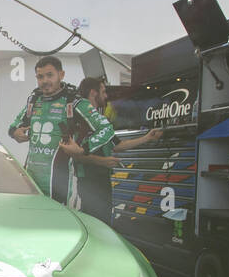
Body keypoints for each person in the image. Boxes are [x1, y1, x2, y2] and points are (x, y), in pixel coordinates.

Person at [60, 76, 162, 221]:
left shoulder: (100, 122)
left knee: (105, 222)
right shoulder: (78, 121)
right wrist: (103, 161)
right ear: (94, 93)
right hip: (87, 181)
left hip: (102, 180)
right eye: (103, 91)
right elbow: (75, 154)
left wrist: (147, 137)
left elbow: (117, 145)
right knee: (94, 223)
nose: (106, 96)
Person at [8, 56, 88, 205]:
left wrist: (83, 150)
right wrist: (15, 133)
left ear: (61, 75)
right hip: (31, 181)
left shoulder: (74, 101)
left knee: (60, 224)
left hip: (62, 185)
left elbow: (106, 131)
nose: (45, 81)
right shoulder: (34, 101)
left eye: (50, 75)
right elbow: (13, 127)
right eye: (40, 76)